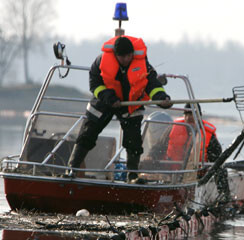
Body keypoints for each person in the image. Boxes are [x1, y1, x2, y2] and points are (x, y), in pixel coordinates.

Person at [69, 35, 172, 183]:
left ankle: (132, 175)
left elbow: (153, 85)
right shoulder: (100, 62)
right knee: (88, 132)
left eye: (129, 56)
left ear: (132, 54)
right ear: (116, 55)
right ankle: (72, 169)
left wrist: (162, 98)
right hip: (105, 100)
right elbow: (94, 83)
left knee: (134, 140)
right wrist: (107, 96)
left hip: (130, 103)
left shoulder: (144, 65)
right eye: (122, 57)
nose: (126, 59)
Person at [166, 103, 231, 200]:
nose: (189, 117)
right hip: (171, 174)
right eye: (187, 114)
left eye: (192, 114)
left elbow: (217, 160)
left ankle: (224, 198)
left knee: (220, 169)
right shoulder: (174, 128)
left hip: (198, 176)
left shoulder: (207, 135)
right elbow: (158, 147)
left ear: (199, 116)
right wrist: (151, 157)